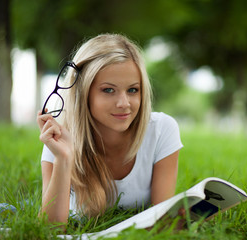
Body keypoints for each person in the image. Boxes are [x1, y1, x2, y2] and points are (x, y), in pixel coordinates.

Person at [37, 33, 183, 225]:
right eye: (108, 90)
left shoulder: (161, 130)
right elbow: (50, 230)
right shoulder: (60, 136)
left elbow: (161, 222)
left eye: (133, 90)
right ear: (83, 93)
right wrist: (63, 159)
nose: (124, 103)